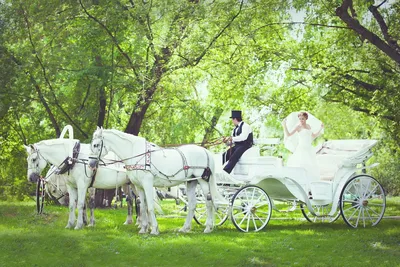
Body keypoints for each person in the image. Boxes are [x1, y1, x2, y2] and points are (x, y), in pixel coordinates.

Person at [282, 111, 324, 183]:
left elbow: (313, 136)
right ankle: (301, 182)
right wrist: (284, 126)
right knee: (301, 164)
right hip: (301, 149)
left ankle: (310, 183)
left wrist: (320, 128)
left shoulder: (308, 126)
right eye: (300, 119)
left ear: (306, 118)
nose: (301, 120)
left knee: (310, 165)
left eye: (303, 119)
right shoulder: (298, 127)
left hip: (309, 149)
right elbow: (289, 134)